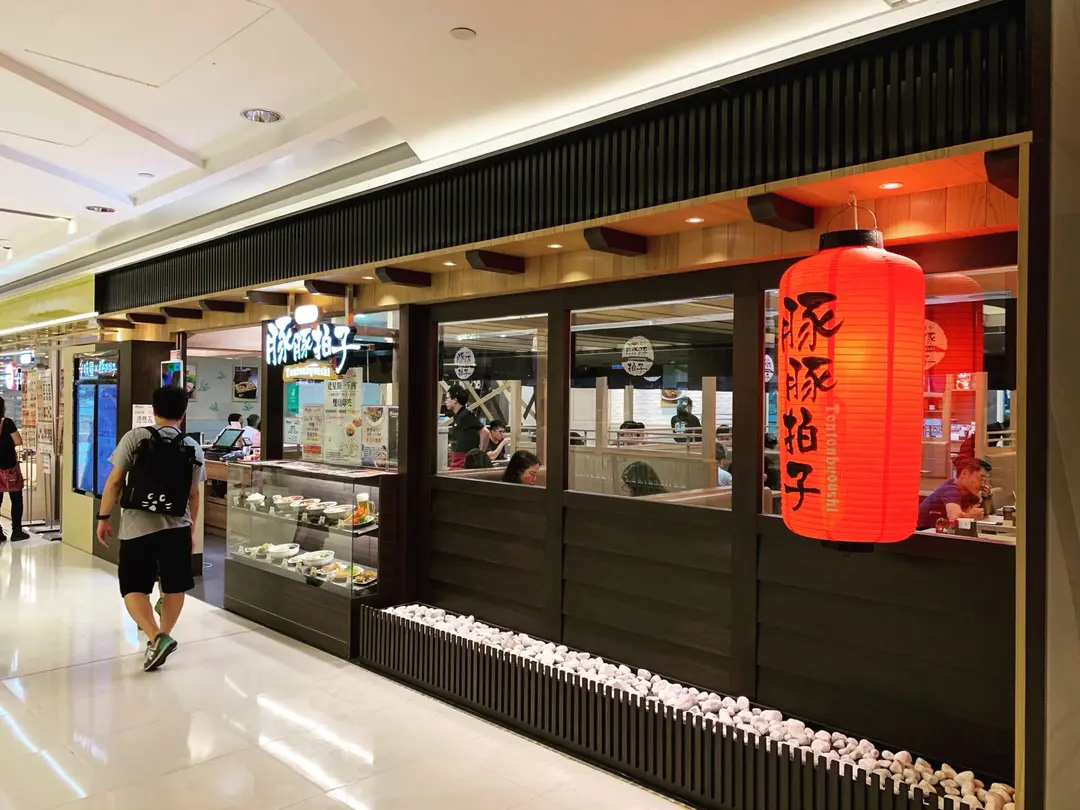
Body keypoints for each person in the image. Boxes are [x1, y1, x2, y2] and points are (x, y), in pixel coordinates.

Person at [97, 387, 206, 672]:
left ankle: (156, 637)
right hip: (177, 527)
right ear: (184, 413)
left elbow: (115, 481)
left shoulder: (136, 437)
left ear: (153, 410)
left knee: (133, 586)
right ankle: (163, 634)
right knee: (174, 585)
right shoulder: (193, 446)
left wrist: (103, 516)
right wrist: (191, 529)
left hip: (137, 527)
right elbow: (194, 494)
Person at [917, 457, 987, 530]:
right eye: (980, 479)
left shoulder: (969, 492)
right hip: (919, 532)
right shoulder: (950, 490)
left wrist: (987, 496)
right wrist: (969, 516)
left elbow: (983, 513)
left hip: (936, 531)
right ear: (964, 474)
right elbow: (954, 523)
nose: (983, 484)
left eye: (984, 480)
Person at [0, 398, 28, 542]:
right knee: (16, 500)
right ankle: (17, 531)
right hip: (10, 467)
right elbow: (18, 441)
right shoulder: (7, 423)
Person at [445, 386, 489, 469]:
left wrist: (480, 455)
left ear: (455, 400)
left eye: (447, 398)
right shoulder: (458, 417)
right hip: (455, 461)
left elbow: (485, 432)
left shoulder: (465, 415)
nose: (445, 401)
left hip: (462, 463)